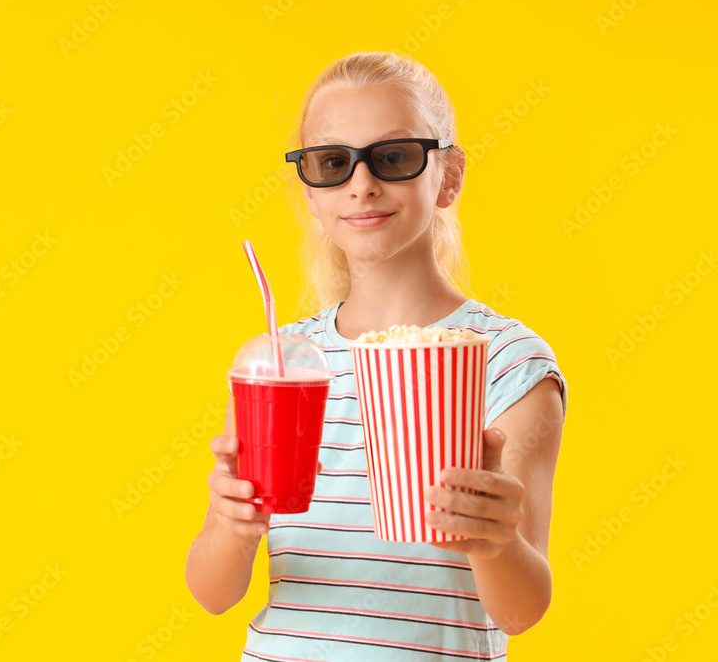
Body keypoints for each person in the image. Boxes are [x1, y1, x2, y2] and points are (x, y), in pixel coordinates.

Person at [185, 51, 567, 661]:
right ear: (309, 190)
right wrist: (232, 526)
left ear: (448, 176)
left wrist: (494, 543)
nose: (361, 183)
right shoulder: (281, 365)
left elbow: (521, 612)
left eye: (393, 157)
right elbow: (213, 593)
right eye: (332, 162)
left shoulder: (507, 362)